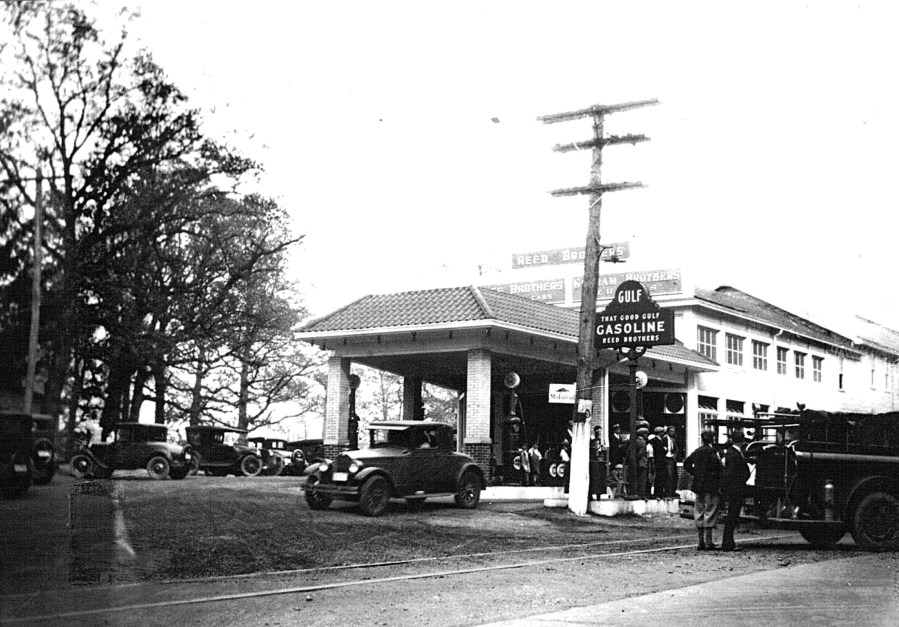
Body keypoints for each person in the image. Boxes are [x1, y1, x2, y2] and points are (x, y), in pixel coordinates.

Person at [683, 429, 723, 550]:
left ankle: (700, 541)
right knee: (710, 511)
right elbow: (719, 469)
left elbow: (686, 463)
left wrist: (696, 473)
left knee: (699, 511)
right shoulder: (713, 452)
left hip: (698, 486)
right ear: (712, 439)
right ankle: (708, 541)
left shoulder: (697, 451)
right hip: (711, 486)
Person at [721, 431, 751, 552]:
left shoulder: (732, 452)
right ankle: (728, 543)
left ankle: (729, 542)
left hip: (734, 487)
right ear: (742, 441)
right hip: (736, 488)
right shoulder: (734, 454)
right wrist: (742, 479)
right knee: (732, 516)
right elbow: (732, 473)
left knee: (732, 516)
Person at [650, 426, 668, 497]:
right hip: (658, 461)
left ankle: (660, 493)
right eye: (662, 432)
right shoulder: (655, 440)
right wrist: (664, 449)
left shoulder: (660, 440)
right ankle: (658, 493)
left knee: (661, 477)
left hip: (660, 461)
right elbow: (659, 451)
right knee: (659, 477)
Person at [664, 426, 680, 497]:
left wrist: (674, 456)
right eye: (671, 431)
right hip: (666, 458)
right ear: (668, 432)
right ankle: (668, 492)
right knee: (669, 475)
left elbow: (676, 449)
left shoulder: (673, 440)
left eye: (673, 431)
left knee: (674, 475)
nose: (672, 433)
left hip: (672, 459)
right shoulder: (664, 438)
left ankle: (673, 491)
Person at [635, 427, 649, 499]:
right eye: (646, 433)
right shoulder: (643, 442)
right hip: (642, 462)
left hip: (637, 463)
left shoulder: (635, 441)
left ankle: (638, 493)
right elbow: (641, 453)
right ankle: (642, 494)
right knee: (642, 479)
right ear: (643, 434)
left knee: (638, 479)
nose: (647, 435)